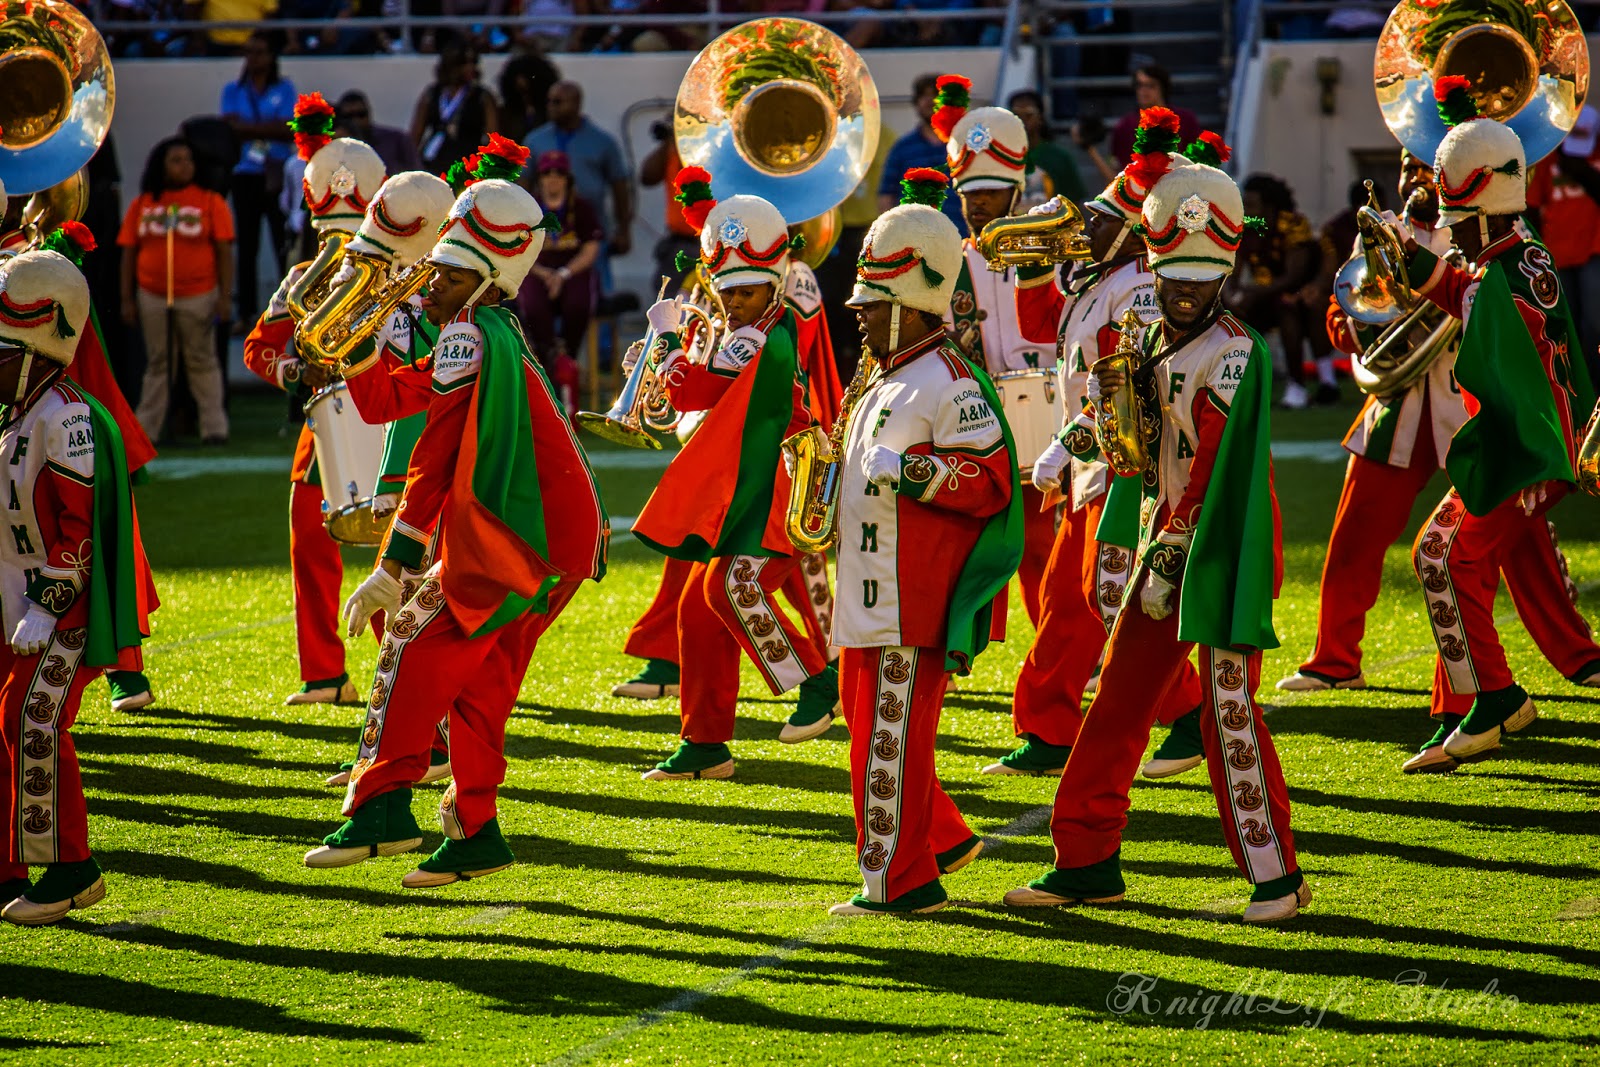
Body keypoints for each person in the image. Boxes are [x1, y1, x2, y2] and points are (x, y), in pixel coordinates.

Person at [1005, 152, 1311, 924]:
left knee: (1228, 706)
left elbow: (1212, 471)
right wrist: (1064, 448)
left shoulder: (1236, 354)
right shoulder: (1142, 323)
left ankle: (1278, 876)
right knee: (1116, 700)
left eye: (1199, 284)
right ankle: (1085, 859)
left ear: (1225, 278)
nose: (1181, 296)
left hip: (1223, 551)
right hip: (1162, 542)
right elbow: (1115, 409)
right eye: (1172, 280)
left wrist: (1170, 553)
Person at [303, 175, 606, 887]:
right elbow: (382, 403)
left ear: (487, 277)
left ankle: (380, 810)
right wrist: (362, 333)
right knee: (479, 680)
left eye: (445, 273)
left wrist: (391, 564)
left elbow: (431, 457)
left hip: (518, 536)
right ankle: (476, 829)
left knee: (409, 640)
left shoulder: (468, 334)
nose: (427, 284)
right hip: (551, 535)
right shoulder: (482, 328)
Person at [1278, 148, 1600, 725]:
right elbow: (1342, 310)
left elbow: (1513, 327)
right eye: (1407, 169)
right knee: (1357, 532)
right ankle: (1335, 657)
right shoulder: (1388, 233)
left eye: (1425, 168)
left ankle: (1575, 656)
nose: (1415, 179)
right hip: (1399, 405)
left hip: (1473, 408)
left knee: (1520, 548)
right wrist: (1360, 321)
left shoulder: (1498, 233)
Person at [828, 169, 1022, 915]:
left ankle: (898, 881)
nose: (863, 320)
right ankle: (937, 842)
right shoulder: (883, 376)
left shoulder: (950, 380)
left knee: (889, 741)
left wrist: (909, 470)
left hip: (910, 600)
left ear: (912, 306)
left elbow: (991, 480)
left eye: (875, 308)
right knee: (873, 731)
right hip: (871, 593)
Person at [989, 109, 1205, 778]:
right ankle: (1050, 727)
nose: (1087, 228)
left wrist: (1064, 446)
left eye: (1102, 220)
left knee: (1111, 594)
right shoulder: (1103, 278)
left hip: (1127, 463)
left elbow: (1126, 386)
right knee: (1064, 599)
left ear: (1136, 229)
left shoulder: (1141, 286)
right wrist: (1029, 264)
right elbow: (1042, 322)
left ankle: (1190, 711)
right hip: (1098, 460)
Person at [1392, 78, 1596, 769]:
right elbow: (1474, 296)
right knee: (1445, 556)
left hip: (1523, 451)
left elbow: (1495, 338)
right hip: (1525, 446)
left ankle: (1494, 702)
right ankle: (1489, 699)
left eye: (1456, 221)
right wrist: (1416, 265)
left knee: (1446, 556)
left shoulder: (1504, 267)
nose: (1453, 234)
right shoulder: (1515, 249)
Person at [630, 170, 839, 780]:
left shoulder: (760, 336)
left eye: (747, 290)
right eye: (728, 292)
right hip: (752, 482)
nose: (734, 301)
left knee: (731, 590)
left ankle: (817, 679)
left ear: (773, 282)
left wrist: (669, 337)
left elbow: (694, 390)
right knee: (697, 609)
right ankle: (705, 742)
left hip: (777, 486)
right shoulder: (749, 329)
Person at [0, 246, 154, 925]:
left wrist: (46, 604)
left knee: (31, 717)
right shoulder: (14, 409)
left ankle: (71, 866)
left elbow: (78, 532)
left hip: (59, 608)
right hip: (13, 600)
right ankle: (8, 864)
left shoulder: (64, 417)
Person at [242, 93, 387, 707]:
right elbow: (258, 347)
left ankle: (402, 668)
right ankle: (326, 675)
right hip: (322, 434)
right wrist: (292, 371)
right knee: (311, 545)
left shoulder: (404, 274)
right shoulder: (301, 277)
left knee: (395, 559)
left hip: (390, 428)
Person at [927, 85, 1052, 634]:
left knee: (1052, 556)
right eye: (971, 194)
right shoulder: (948, 262)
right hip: (981, 428)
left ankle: (1079, 654)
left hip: (1052, 423)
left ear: (1016, 192)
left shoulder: (1051, 250)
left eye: (993, 193)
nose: (979, 204)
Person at [118, 136, 235, 446]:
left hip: (199, 294)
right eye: (177, 160)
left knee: (202, 360)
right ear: (162, 165)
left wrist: (225, 296)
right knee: (158, 363)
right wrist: (127, 298)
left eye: (189, 160)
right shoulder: (143, 204)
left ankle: (214, 428)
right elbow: (128, 251)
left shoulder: (211, 201)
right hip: (152, 294)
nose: (185, 166)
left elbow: (224, 251)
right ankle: (147, 431)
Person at [1225, 174, 1329, 409]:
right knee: (1231, 316)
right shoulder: (1246, 228)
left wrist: (1252, 292)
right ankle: (1242, 387)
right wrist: (1231, 297)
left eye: (1251, 204)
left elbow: (1293, 276)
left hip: (1300, 295)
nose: (1246, 209)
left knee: (1287, 309)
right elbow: (1234, 270)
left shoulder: (1291, 224)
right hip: (1266, 296)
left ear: (1268, 206)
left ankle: (1298, 385)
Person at [220, 31, 296, 326]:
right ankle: (248, 311)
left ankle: (286, 307)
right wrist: (269, 127)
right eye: (249, 52)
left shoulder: (285, 87)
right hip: (245, 174)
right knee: (247, 245)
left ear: (271, 56)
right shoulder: (233, 89)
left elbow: (288, 128)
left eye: (260, 52)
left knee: (280, 241)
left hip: (276, 172)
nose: (254, 58)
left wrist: (247, 128)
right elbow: (229, 129)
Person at [1526, 105, 1600, 380]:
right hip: (1557, 254)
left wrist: (1584, 173)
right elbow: (1532, 206)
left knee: (1594, 326)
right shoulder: (1550, 157)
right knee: (1566, 328)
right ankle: (1575, 388)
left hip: (1594, 250)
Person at [522, 82, 633, 257]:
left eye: (558, 102)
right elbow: (523, 185)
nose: (551, 107)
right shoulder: (535, 141)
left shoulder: (602, 141)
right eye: (549, 101)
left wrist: (624, 230)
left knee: (595, 282)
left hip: (591, 230)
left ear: (576, 103)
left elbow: (619, 186)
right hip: (546, 234)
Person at [518, 151, 600, 384]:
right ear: (539, 177)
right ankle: (546, 362)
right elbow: (517, 247)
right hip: (536, 269)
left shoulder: (581, 207)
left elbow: (591, 248)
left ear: (567, 178)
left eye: (559, 173)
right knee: (532, 305)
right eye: (547, 173)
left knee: (578, 303)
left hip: (571, 269)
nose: (553, 178)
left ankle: (568, 358)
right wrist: (545, 274)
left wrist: (562, 275)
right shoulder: (528, 208)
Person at [878, 74, 968, 237]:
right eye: (923, 95)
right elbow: (886, 197)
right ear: (916, 102)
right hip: (913, 242)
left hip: (962, 238)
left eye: (935, 95)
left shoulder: (966, 144)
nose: (929, 101)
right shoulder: (902, 148)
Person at [1080, 64, 1200, 184]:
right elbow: (1118, 178)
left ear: (1163, 88)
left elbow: (1200, 165)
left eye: (1150, 85)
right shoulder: (1125, 126)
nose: (1143, 90)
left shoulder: (1186, 120)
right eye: (1139, 85)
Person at [410, 46, 500, 175]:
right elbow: (416, 133)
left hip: (469, 163)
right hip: (434, 159)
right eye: (464, 64)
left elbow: (493, 136)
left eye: (473, 63)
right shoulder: (432, 94)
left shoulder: (482, 97)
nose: (470, 68)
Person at [638, 122, 701, 287]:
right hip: (681, 243)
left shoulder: (706, 151)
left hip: (712, 244)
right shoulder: (672, 151)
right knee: (668, 303)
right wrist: (668, 140)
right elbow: (647, 177)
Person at [1006, 89, 1087, 210]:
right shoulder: (1000, 156)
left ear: (1040, 118)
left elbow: (1073, 204)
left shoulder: (1059, 157)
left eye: (1028, 115)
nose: (1021, 120)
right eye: (1016, 115)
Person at [335, 91, 422, 175]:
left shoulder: (396, 140)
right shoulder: (335, 147)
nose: (356, 121)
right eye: (349, 116)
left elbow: (417, 174)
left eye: (361, 114)